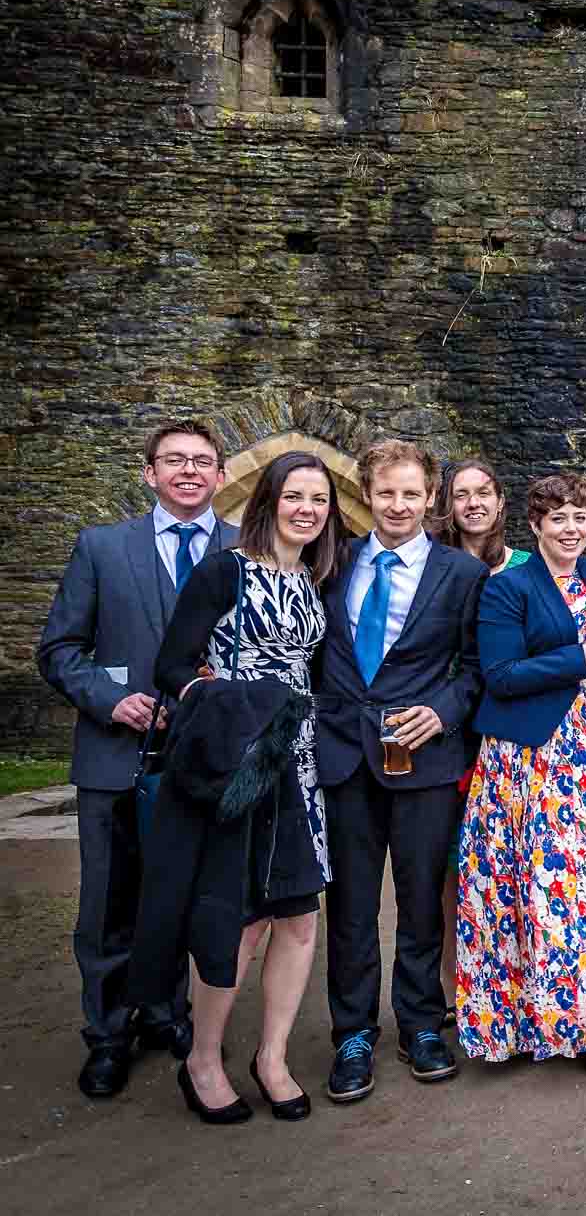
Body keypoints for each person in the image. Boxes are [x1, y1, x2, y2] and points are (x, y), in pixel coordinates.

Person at [134, 451, 344, 1123]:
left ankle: (272, 1057)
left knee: (299, 917)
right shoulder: (226, 570)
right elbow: (171, 665)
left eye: (319, 499)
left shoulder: (313, 579)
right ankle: (202, 1058)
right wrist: (224, 705)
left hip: (301, 766)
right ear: (269, 501)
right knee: (239, 919)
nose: (307, 509)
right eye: (295, 496)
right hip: (242, 764)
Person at [37, 420, 237, 1098]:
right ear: (149, 473)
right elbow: (60, 650)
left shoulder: (246, 550)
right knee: (110, 903)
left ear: (220, 474)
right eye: (174, 460)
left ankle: (169, 1014)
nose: (189, 470)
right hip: (116, 755)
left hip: (208, 762)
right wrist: (108, 699)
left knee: (189, 895)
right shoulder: (100, 547)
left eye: (202, 461)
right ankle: (109, 1032)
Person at [314, 441, 487, 1103]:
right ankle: (353, 1033)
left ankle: (419, 1023)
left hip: (425, 760)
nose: (398, 506)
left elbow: (473, 672)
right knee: (351, 904)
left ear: (431, 497)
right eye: (386, 493)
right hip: (344, 755)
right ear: (367, 494)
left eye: (411, 494)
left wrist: (440, 713)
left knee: (420, 902)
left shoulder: (460, 575)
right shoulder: (331, 561)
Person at [457, 472, 586, 1079]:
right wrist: (578, 659)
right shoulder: (507, 589)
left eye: (581, 518)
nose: (571, 530)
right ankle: (516, 1022)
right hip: (531, 760)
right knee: (531, 892)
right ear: (534, 526)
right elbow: (501, 674)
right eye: (558, 518)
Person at [430, 459, 531, 1022]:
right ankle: (452, 976)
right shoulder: (434, 567)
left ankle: (510, 973)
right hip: (447, 725)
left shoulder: (522, 569)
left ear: (499, 502)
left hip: (506, 723)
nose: (473, 504)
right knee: (452, 860)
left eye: (483, 493)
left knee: (507, 859)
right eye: (461, 494)